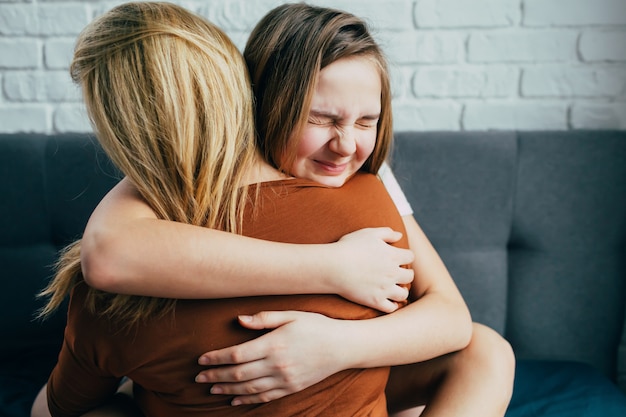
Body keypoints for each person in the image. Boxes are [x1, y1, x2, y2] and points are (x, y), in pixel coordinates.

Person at [35, 2, 515, 417]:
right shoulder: (173, 193)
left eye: (368, 121)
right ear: (262, 107)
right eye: (319, 119)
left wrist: (335, 346)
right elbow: (109, 254)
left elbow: (451, 316)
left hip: (359, 363)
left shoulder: (366, 182)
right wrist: (332, 268)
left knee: (486, 350)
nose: (346, 145)